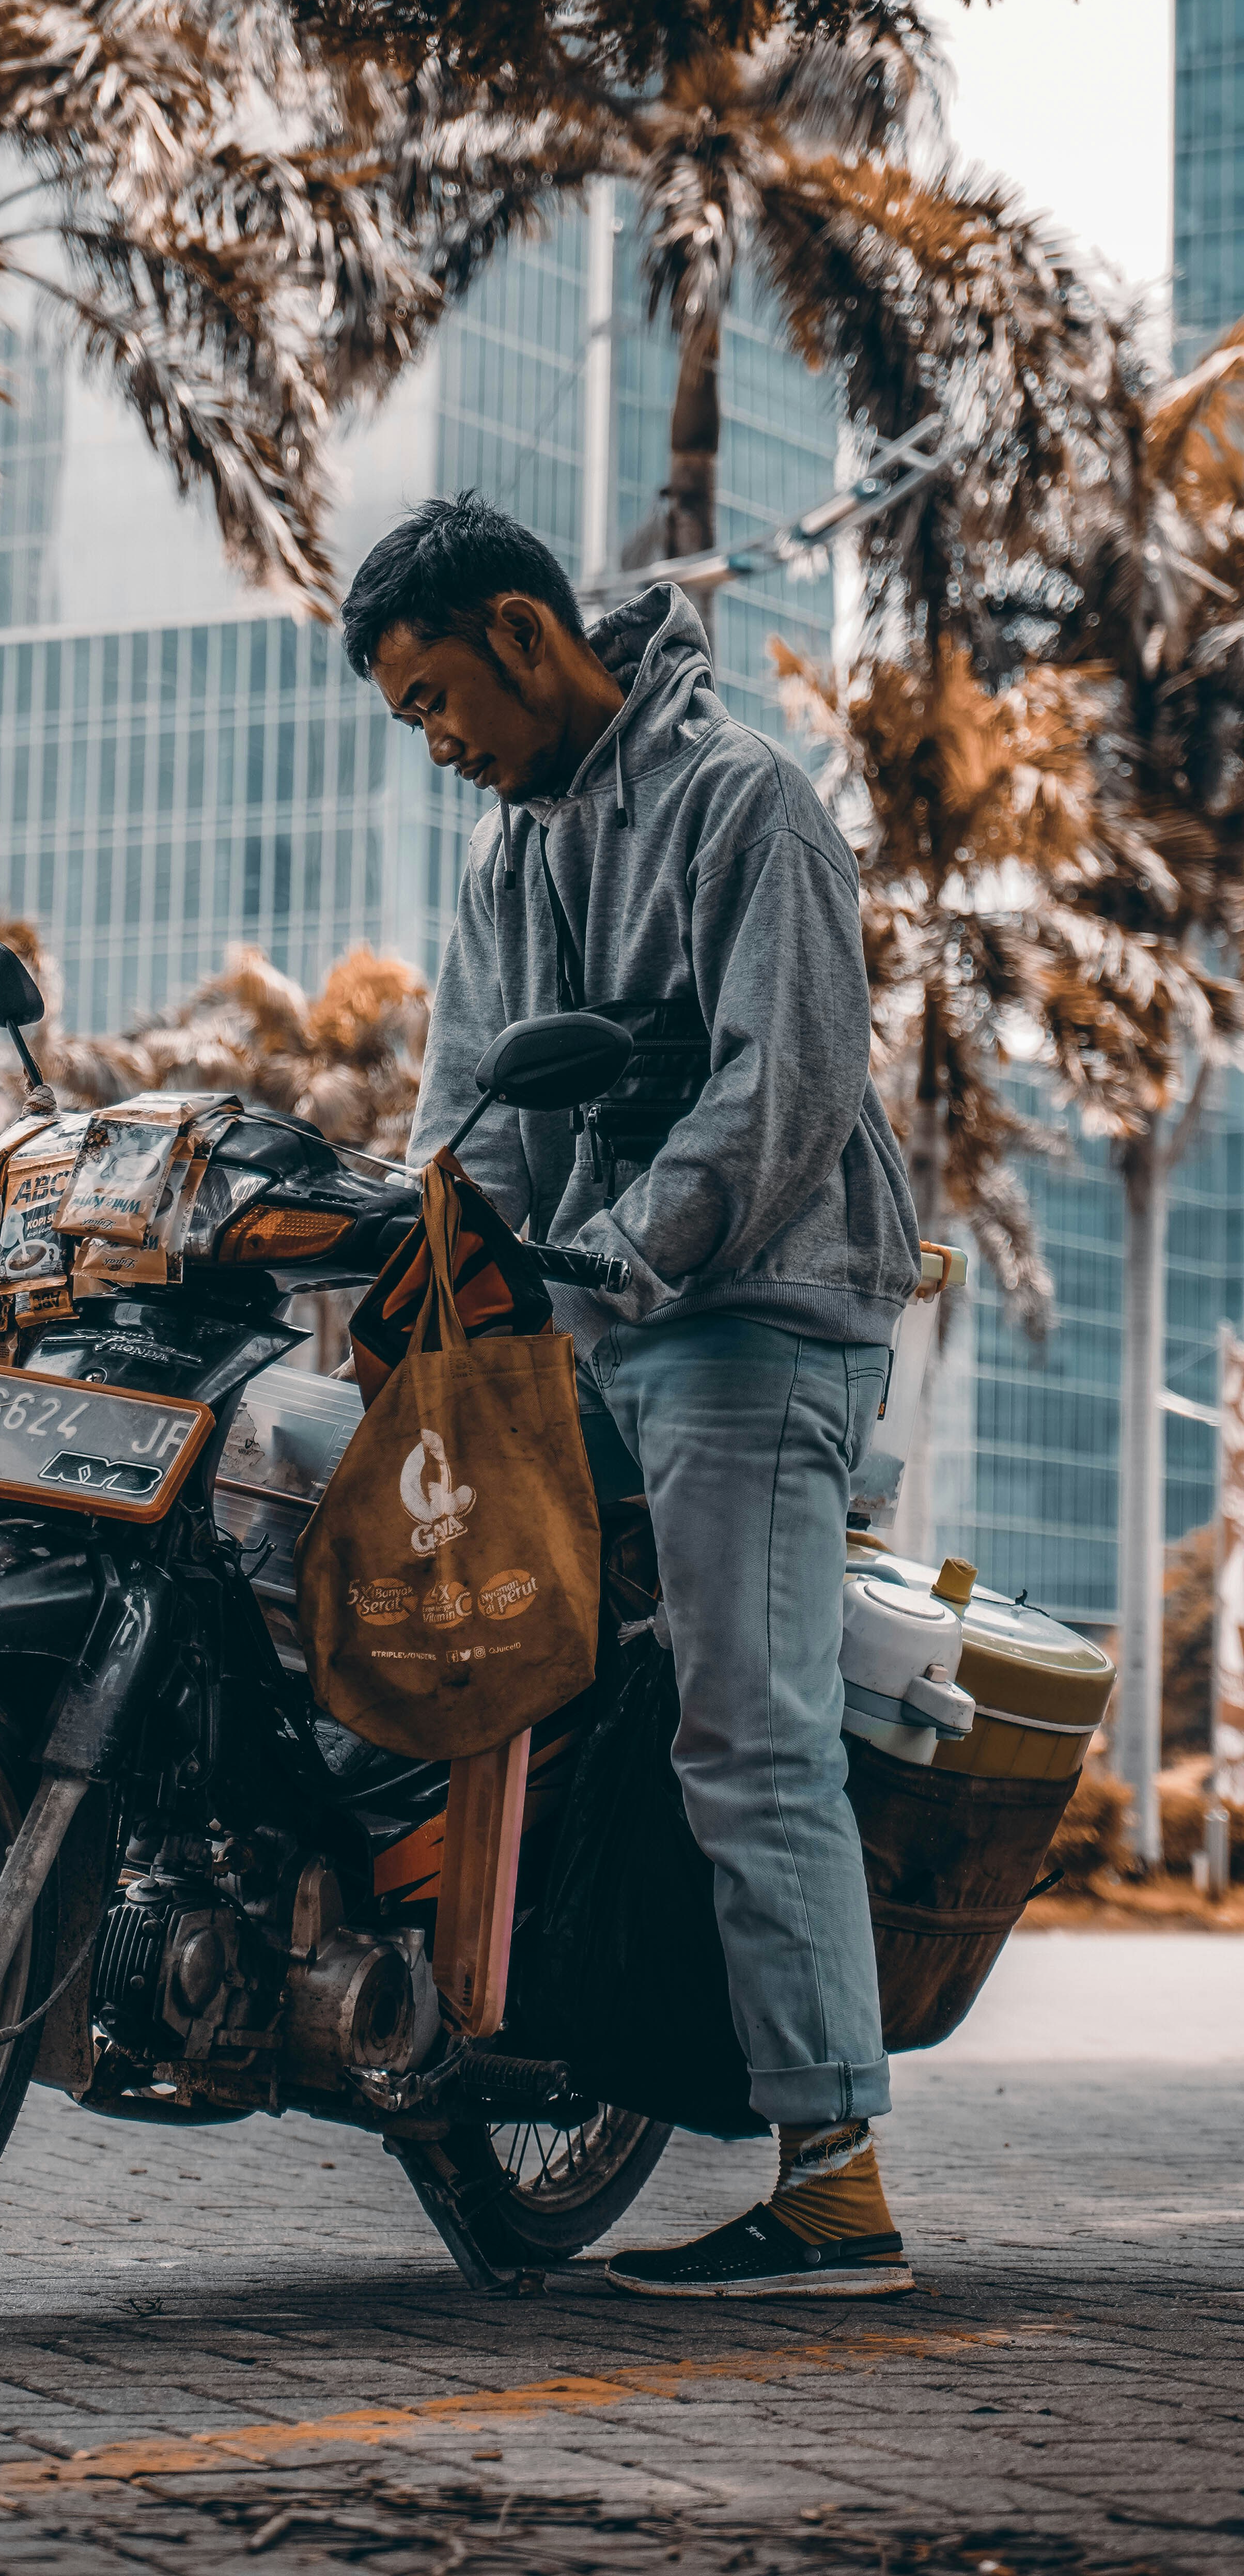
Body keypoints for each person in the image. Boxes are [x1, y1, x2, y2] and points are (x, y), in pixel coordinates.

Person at [341, 491, 921, 2300]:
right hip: (600, 1315)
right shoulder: (514, 856)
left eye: (443, 700)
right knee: (452, 1630)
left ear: (529, 635)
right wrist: (413, 1260)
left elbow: (785, 1089)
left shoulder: (742, 801)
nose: (441, 746)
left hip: (759, 1307)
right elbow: (482, 1116)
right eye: (409, 722)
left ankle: (834, 2184)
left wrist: (622, 1259)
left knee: (749, 1731)